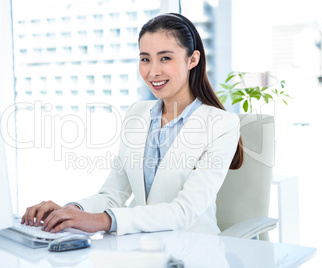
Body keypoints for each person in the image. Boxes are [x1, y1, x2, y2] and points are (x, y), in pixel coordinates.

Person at [21, 13, 244, 236]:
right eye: (145, 59)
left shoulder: (221, 124)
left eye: (165, 58)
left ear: (192, 60)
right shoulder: (136, 114)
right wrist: (71, 212)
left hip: (193, 251)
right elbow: (114, 193)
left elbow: (184, 211)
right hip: (138, 249)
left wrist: (104, 220)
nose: (153, 71)